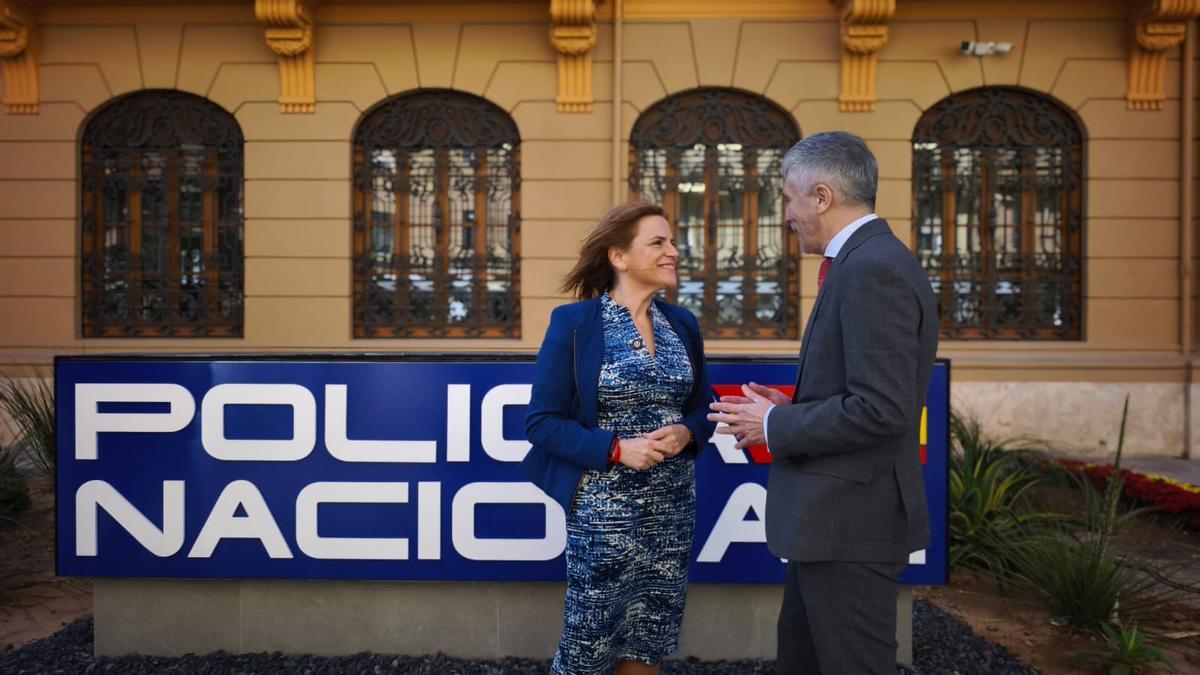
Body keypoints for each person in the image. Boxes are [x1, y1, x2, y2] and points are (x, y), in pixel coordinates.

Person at [707, 131, 938, 674]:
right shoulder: (865, 261)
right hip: (834, 527)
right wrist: (787, 405)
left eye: (789, 199)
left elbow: (882, 408)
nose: (787, 215)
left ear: (822, 196)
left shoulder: (872, 269)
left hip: (851, 528)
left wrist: (775, 425)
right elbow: (867, 390)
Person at [522, 201, 716, 675]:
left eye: (673, 242)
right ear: (619, 256)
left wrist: (686, 432)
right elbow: (541, 422)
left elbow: (703, 407)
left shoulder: (682, 323)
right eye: (658, 242)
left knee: (649, 640)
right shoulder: (575, 324)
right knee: (587, 649)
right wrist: (615, 449)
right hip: (603, 516)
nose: (673, 251)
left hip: (672, 511)